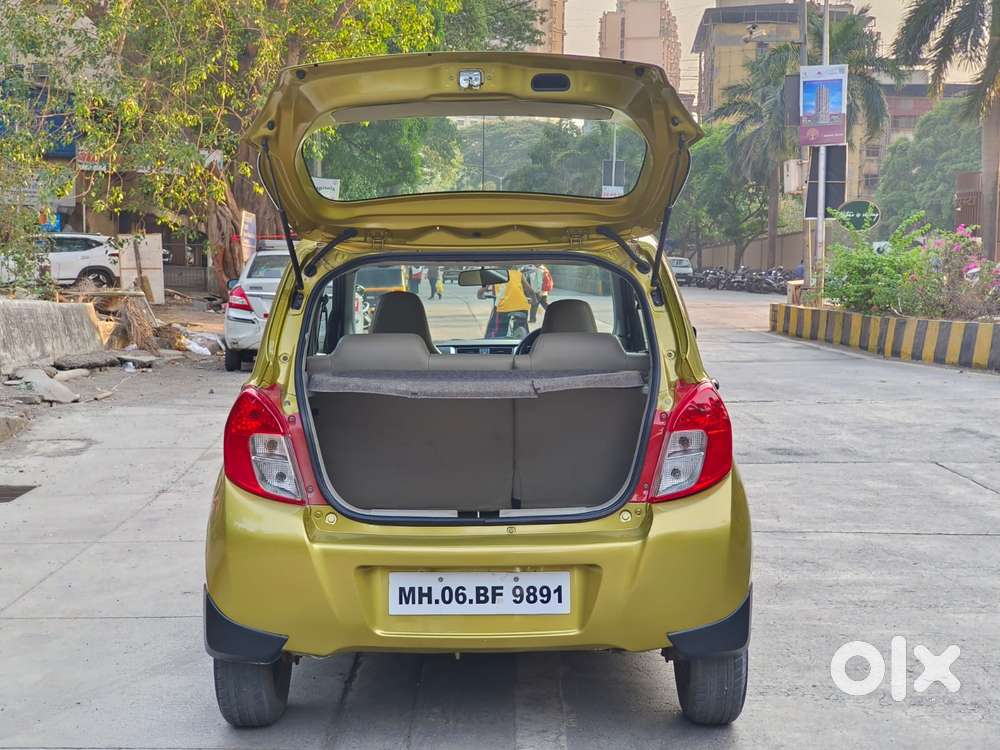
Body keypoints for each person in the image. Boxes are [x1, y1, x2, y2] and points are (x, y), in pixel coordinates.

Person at [480, 266, 534, 338]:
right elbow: (530, 290)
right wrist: (534, 300)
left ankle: (494, 342)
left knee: (497, 331)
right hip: (522, 307)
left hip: (504, 308)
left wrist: (479, 295)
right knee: (524, 329)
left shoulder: (495, 274)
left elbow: (483, 289)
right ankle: (526, 340)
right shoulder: (518, 273)